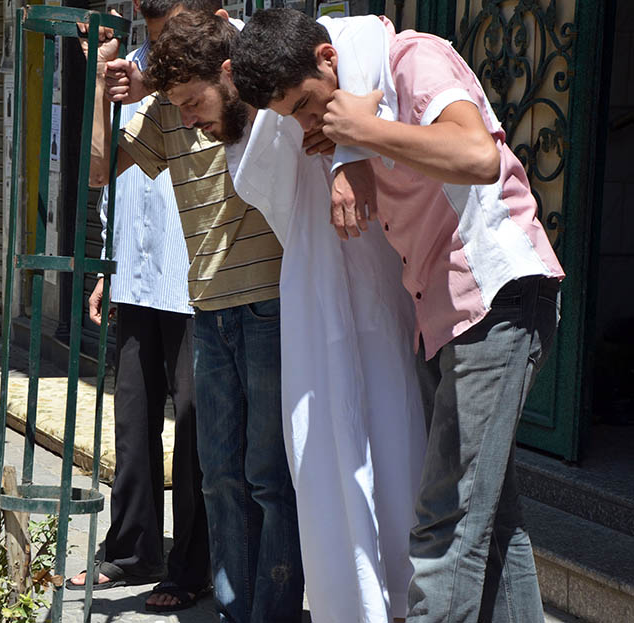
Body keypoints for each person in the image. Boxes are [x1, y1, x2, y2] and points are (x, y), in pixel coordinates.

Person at [229, 9, 565, 623]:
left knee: (444, 529)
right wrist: (349, 146)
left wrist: (360, 133)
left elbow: (477, 156)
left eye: (307, 103)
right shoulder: (350, 111)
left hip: (497, 299)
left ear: (328, 59)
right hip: (444, 319)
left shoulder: (413, 58)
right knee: (492, 528)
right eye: (295, 117)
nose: (310, 123)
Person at [143, 12, 426, 622]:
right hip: (270, 306)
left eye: (193, 102)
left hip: (331, 303)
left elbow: (358, 32)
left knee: (299, 471)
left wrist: (349, 147)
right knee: (250, 473)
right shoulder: (264, 122)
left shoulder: (303, 82)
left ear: (227, 74)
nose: (188, 119)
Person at [75, 4, 305, 621]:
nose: (188, 118)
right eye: (175, 101)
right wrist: (101, 87)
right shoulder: (165, 110)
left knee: (267, 476)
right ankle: (234, 607)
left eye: (193, 101)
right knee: (217, 475)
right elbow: (99, 171)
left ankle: (273, 609)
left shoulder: (251, 95)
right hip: (207, 308)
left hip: (268, 304)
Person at [64, 4, 211, 611]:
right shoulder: (124, 69)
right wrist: (106, 261)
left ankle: (194, 565)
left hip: (197, 278)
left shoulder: (204, 61)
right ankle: (132, 551)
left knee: (197, 425)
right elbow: (108, 174)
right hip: (134, 273)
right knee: (132, 420)